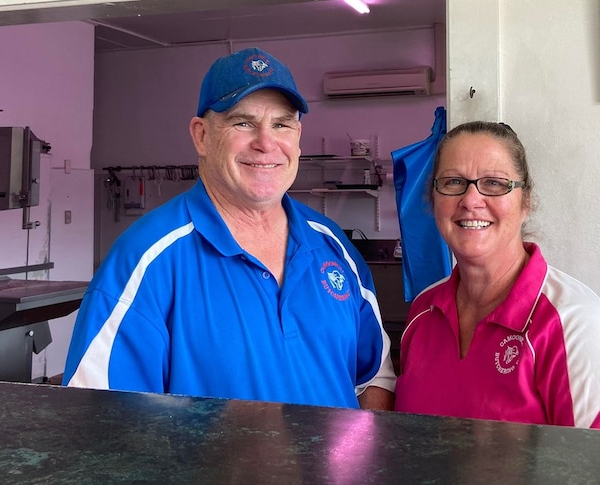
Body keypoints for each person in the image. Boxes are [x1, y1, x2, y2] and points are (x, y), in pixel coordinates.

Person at [62, 47, 396, 410]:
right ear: (201, 136)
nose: (266, 143)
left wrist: (361, 463)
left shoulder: (333, 246)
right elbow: (97, 420)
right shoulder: (147, 259)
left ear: (297, 136)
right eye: (243, 123)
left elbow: (374, 377)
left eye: (281, 124)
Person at [393, 121, 600, 431]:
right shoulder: (423, 311)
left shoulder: (575, 324)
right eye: (452, 182)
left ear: (525, 201)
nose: (471, 200)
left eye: (494, 183)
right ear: (433, 200)